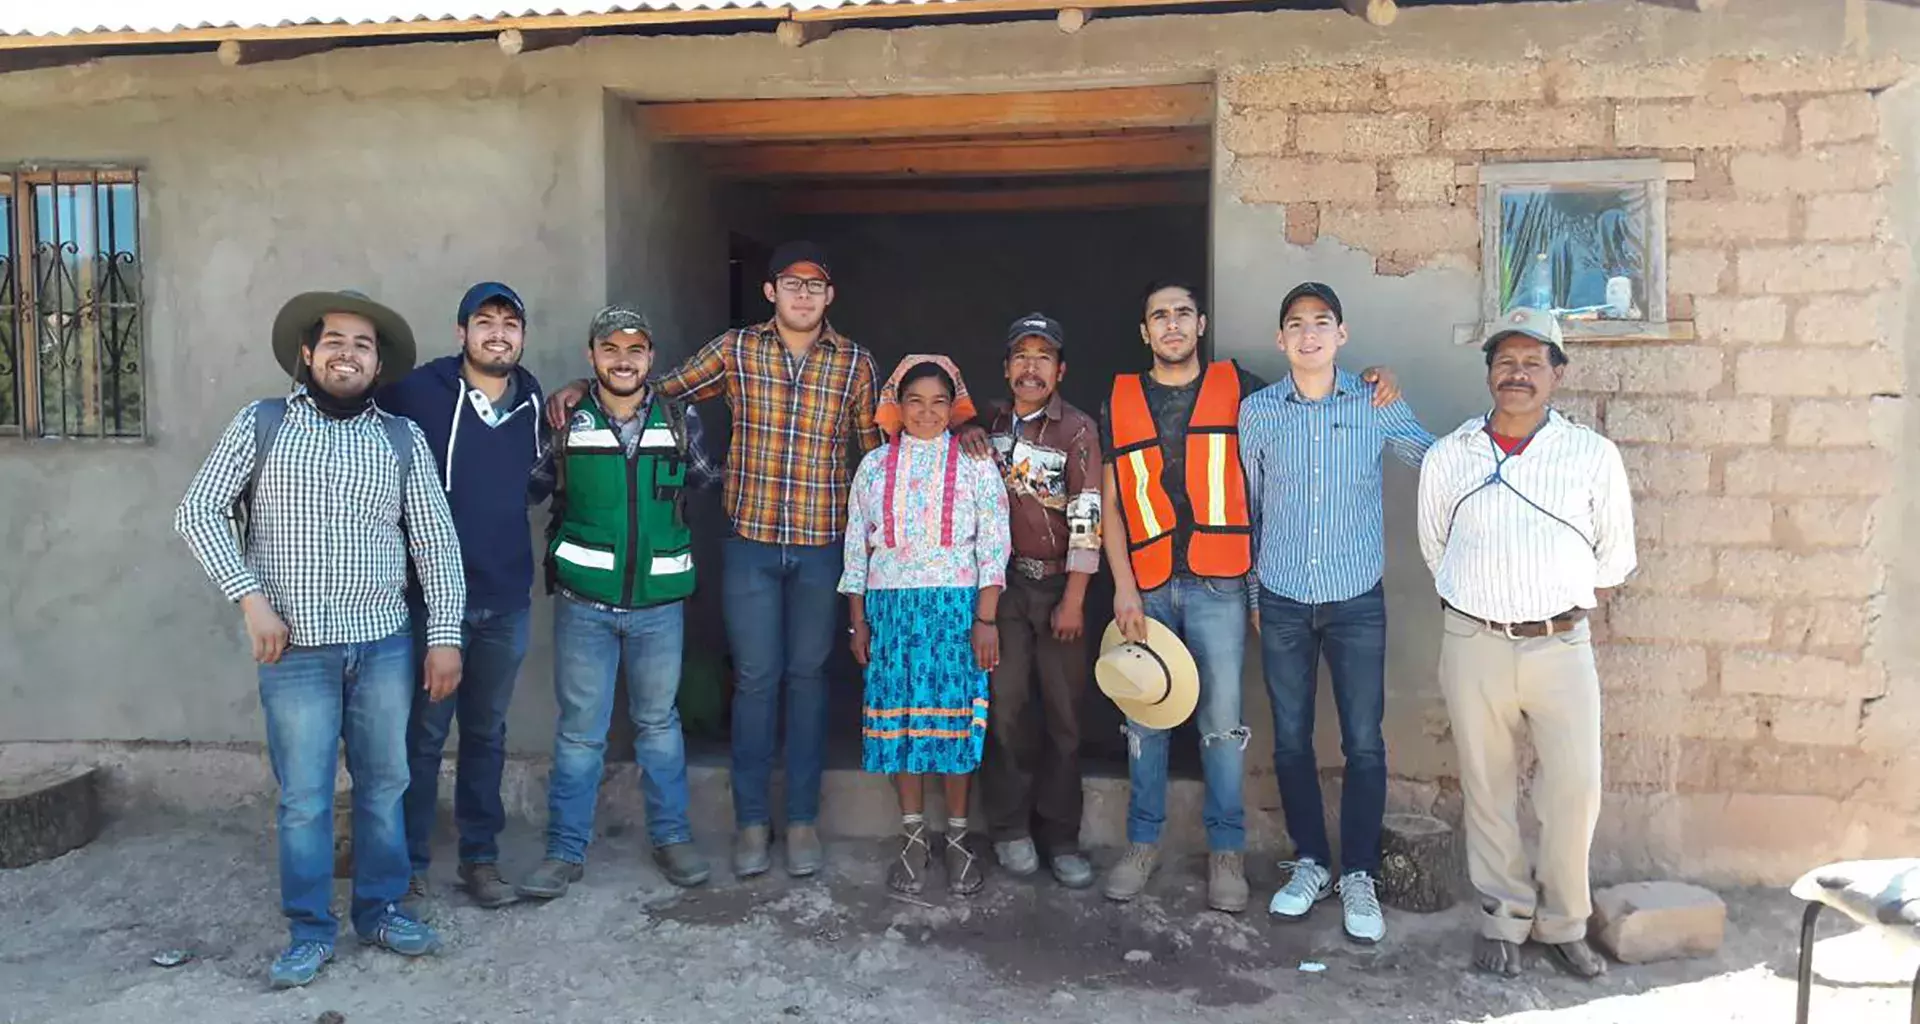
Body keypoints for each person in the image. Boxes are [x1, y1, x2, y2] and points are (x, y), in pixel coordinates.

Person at [548, 241, 881, 880]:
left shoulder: (856, 364)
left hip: (821, 545)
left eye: (816, 285)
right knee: (755, 680)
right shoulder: (735, 350)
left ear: (830, 295)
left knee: (808, 681)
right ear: (770, 291)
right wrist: (582, 388)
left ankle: (803, 820)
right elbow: (651, 391)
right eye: (791, 283)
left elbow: (870, 460)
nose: (803, 295)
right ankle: (753, 822)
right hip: (750, 542)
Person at [175, 290, 464, 988]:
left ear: (376, 363)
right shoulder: (262, 424)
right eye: (334, 340)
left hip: (385, 644)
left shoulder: (400, 439)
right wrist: (251, 603)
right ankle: (309, 928)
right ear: (308, 353)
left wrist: (445, 635)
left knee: (384, 783)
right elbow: (199, 511)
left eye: (362, 345)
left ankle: (382, 909)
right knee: (304, 796)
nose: (348, 353)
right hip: (294, 649)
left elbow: (434, 542)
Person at [1100, 281, 1400, 913]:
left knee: (1221, 726)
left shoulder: (1243, 388)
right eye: (1159, 316)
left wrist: (1373, 378)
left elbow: (1312, 379)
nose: (1172, 324)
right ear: (1144, 331)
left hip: (1221, 583)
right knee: (1143, 720)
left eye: (1183, 313)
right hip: (1149, 586)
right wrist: (1123, 586)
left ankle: (1227, 852)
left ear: (1202, 323)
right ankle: (1141, 843)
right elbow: (1112, 504)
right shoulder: (1120, 398)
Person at [1416, 307, 1635, 980]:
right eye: (1505, 362)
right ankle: (1503, 919)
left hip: (1561, 645)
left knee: (1575, 790)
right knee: (1487, 785)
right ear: (1488, 373)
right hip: (1475, 640)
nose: (1517, 375)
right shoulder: (1451, 454)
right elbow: (1435, 548)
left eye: (1532, 363)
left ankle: (1565, 920)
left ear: (1557, 375)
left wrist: (1549, 602)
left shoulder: (1591, 455)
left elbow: (1614, 560)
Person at [1239, 282, 1434, 944]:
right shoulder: (1260, 413)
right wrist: (1256, 593)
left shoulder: (1373, 401)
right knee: (1290, 737)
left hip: (1356, 599)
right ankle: (1311, 862)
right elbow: (1251, 508)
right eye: (1296, 324)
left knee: (1364, 741)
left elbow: (1433, 459)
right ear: (1281, 340)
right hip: (1286, 596)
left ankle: (1358, 874)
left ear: (1342, 335)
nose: (1310, 334)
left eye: (1323, 322)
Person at [518, 305, 725, 900]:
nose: (623, 360)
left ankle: (673, 837)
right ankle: (564, 852)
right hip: (586, 602)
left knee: (659, 725)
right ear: (592, 356)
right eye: (610, 349)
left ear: (650, 358)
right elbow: (527, 488)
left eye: (635, 349)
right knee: (582, 733)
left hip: (660, 606)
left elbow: (708, 479)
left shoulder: (680, 418)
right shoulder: (565, 419)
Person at [377, 282, 545, 911]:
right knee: (420, 738)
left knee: (487, 734)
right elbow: (347, 411)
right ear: (462, 332)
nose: (497, 333)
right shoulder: (419, 391)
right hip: (429, 602)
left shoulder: (532, 400)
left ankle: (480, 859)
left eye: (509, 323)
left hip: (505, 598)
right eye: (485, 321)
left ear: (521, 336)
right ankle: (409, 866)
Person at [840, 356, 1011, 896]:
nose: (927, 412)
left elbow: (994, 545)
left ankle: (958, 839)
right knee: (902, 727)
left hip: (956, 613)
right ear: (897, 404)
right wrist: (857, 622)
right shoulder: (872, 466)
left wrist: (986, 618)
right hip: (891, 614)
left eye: (940, 402)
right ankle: (913, 836)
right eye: (915, 401)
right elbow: (855, 551)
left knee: (954, 726)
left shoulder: (975, 462)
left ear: (954, 406)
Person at [979, 313, 1103, 890]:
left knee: (1064, 716)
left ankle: (1061, 835)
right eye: (1021, 357)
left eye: (1043, 357)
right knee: (1006, 710)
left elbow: (1087, 518)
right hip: (1003, 588)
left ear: (1061, 370)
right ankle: (1008, 828)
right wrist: (962, 422)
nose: (1031, 368)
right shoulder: (985, 426)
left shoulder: (1076, 429)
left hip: (1058, 589)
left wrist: (1075, 597)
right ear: (1006, 369)